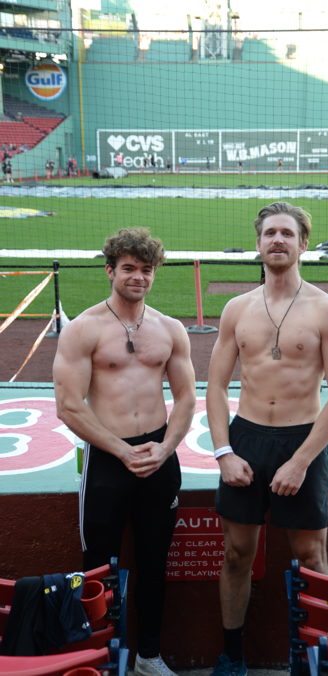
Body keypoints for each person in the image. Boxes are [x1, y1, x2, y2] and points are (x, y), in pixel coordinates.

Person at [206, 201, 328, 676]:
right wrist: (224, 452)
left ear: (303, 244)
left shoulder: (327, 310)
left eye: (287, 233)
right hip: (246, 439)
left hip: (301, 441)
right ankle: (232, 655)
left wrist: (301, 460)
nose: (277, 240)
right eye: (269, 232)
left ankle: (325, 653)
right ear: (258, 243)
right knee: (236, 554)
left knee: (311, 554)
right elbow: (215, 387)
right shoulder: (237, 309)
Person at [53, 227, 196, 676]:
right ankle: (98, 657)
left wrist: (166, 447)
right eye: (129, 268)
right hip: (108, 459)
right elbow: (68, 405)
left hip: (159, 456)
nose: (138, 277)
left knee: (155, 562)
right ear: (110, 271)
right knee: (98, 566)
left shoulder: (169, 329)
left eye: (146, 270)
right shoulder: (84, 329)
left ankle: (148, 656)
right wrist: (120, 450)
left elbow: (186, 398)